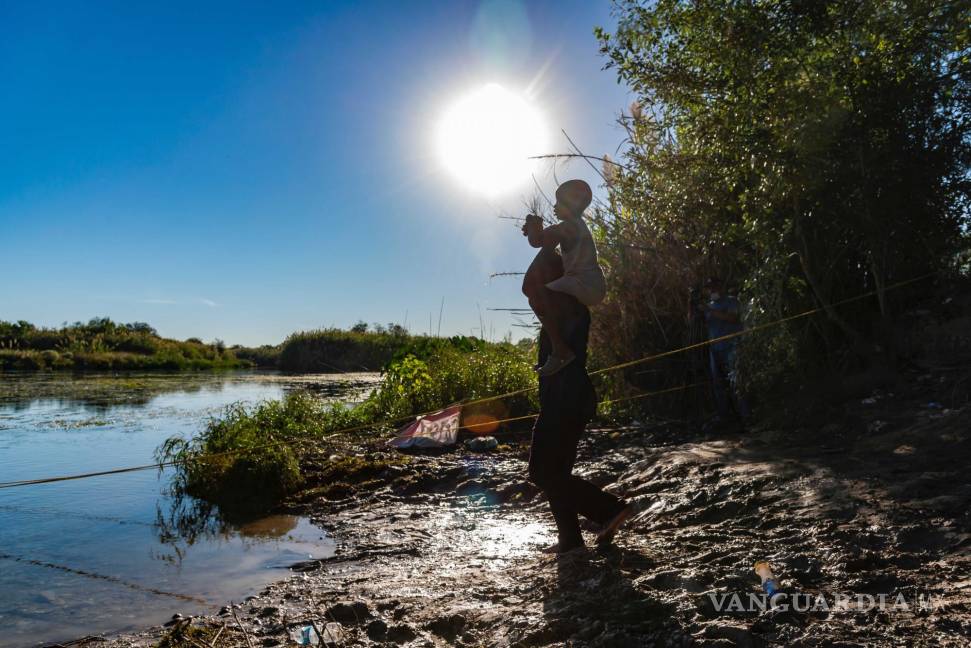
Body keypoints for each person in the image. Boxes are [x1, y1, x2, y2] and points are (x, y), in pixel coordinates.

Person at [526, 248, 634, 554]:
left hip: (564, 396)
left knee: (542, 472)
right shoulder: (570, 305)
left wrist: (545, 245)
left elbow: (530, 290)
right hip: (572, 397)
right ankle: (571, 539)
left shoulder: (556, 301)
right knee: (557, 472)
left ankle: (608, 510)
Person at [522, 179, 606, 377]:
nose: (554, 206)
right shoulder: (574, 227)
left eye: (559, 202)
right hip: (587, 283)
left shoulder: (568, 227)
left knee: (536, 296)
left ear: (573, 205)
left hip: (584, 284)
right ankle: (559, 347)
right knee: (548, 263)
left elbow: (537, 241)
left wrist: (534, 227)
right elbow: (543, 242)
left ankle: (560, 350)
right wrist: (536, 230)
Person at [696, 277, 751, 430]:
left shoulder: (731, 301)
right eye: (709, 288)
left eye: (714, 287)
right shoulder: (708, 306)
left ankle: (746, 416)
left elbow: (733, 318)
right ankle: (724, 417)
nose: (712, 290)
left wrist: (710, 311)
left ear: (721, 286)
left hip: (732, 346)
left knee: (736, 381)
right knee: (718, 384)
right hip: (715, 349)